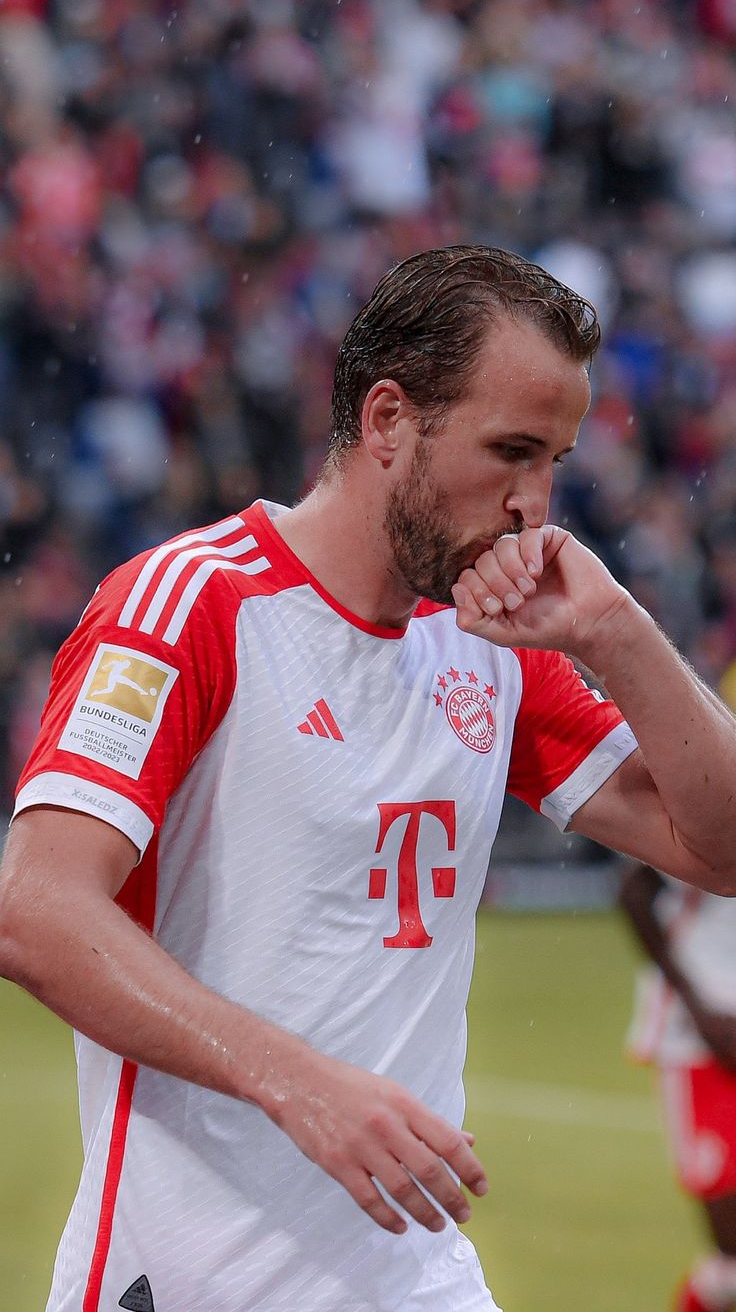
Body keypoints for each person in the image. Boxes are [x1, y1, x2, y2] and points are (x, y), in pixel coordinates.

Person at [1, 242, 736, 1312]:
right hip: (187, 1279)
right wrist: (298, 1085)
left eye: (555, 464)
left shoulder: (491, 646)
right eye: (510, 452)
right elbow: (33, 909)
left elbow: (718, 850)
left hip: (416, 1278)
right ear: (388, 420)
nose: (534, 505)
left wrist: (616, 631)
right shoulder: (188, 607)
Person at [621, 864, 736, 1312]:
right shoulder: (720, 808)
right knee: (731, 1247)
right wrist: (697, 1005)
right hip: (700, 1043)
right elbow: (634, 891)